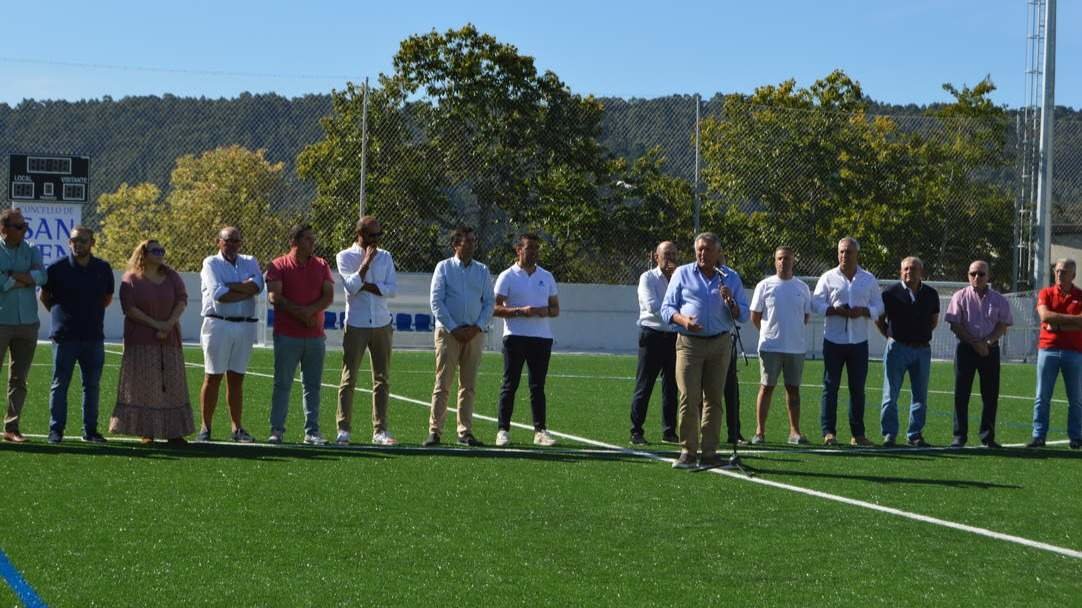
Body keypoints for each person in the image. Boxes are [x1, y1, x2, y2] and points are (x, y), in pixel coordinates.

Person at [660, 232, 748, 468]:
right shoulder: (682, 273)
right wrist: (683, 321)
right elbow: (666, 308)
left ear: (718, 253)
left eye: (708, 250)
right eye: (699, 249)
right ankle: (688, 451)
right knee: (689, 397)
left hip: (720, 343)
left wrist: (732, 303)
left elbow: (745, 315)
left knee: (714, 399)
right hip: (689, 343)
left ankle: (709, 451)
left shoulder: (730, 277)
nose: (702, 254)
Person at [108, 239, 194, 445]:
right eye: (155, 250)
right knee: (144, 386)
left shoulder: (171, 276)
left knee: (172, 384)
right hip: (141, 340)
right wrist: (157, 325)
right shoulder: (131, 279)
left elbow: (182, 300)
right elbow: (130, 309)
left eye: (162, 250)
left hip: (169, 340)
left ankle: (174, 432)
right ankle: (147, 431)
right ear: (144, 253)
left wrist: (168, 324)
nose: (160, 253)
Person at [40, 226, 113, 444]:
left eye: (82, 240)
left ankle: (90, 431)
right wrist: (61, 318)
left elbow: (107, 298)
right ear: (69, 242)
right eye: (73, 240)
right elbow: (45, 297)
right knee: (59, 385)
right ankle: (56, 431)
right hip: (65, 338)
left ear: (93, 242)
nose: (77, 244)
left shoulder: (103, 268)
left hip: (93, 337)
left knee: (91, 386)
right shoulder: (56, 268)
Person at [424, 226, 493, 447]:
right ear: (456, 245)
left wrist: (476, 327)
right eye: (467, 242)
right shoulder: (443, 268)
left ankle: (465, 431)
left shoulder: (482, 270)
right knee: (443, 383)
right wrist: (455, 328)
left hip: (474, 334)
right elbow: (437, 302)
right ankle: (435, 431)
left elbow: (489, 303)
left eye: (474, 241)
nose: (472, 245)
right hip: (448, 334)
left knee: (469, 385)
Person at [812, 237, 884, 447]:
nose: (845, 255)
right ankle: (829, 433)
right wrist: (834, 310)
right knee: (830, 387)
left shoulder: (868, 279)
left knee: (857, 389)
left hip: (859, 342)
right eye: (841, 251)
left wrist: (864, 311)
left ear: (857, 254)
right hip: (833, 341)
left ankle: (858, 435)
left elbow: (879, 306)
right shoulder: (827, 277)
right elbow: (815, 303)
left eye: (849, 252)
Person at [267, 224, 334, 445]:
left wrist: (311, 312)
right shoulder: (278, 265)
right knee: (283, 383)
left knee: (312, 385)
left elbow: (328, 295)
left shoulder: (322, 265)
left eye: (312, 240)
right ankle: (277, 429)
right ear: (294, 242)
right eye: (307, 239)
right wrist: (301, 314)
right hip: (288, 335)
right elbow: (274, 296)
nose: (312, 244)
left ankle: (312, 431)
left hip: (315, 336)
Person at [196, 226, 263, 443]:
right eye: (228, 240)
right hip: (218, 325)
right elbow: (218, 294)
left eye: (236, 241)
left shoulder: (250, 260)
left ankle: (237, 428)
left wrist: (233, 287)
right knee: (213, 377)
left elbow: (258, 286)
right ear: (219, 242)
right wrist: (245, 289)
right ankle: (205, 428)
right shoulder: (210, 263)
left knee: (236, 379)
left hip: (244, 326)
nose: (232, 244)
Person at [492, 233, 560, 447]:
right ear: (518, 250)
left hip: (541, 338)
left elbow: (555, 309)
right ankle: (503, 430)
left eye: (536, 248)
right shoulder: (507, 276)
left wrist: (542, 311)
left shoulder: (546, 276)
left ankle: (540, 431)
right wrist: (520, 311)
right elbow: (494, 308)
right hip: (515, 337)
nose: (534, 252)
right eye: (529, 248)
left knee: (537, 386)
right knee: (510, 384)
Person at [336, 216, 398, 446]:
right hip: (356, 323)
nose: (376, 240)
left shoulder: (386, 257)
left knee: (382, 379)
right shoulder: (345, 256)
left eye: (379, 235)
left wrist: (368, 286)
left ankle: (380, 430)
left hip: (382, 322)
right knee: (349, 377)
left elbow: (391, 290)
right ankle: (343, 428)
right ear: (360, 234)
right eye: (372, 235)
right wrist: (365, 264)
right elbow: (351, 287)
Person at [944, 260, 1012, 448]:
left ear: (988, 276)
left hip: (991, 349)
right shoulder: (959, 297)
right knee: (961, 394)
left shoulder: (999, 299)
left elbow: (1003, 324)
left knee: (990, 394)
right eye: (973, 273)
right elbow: (955, 324)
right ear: (968, 275)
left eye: (981, 274)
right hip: (966, 349)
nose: (977, 277)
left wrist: (988, 343)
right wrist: (975, 343)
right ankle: (959, 436)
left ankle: (987, 437)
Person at [749, 246, 811, 445]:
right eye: (780, 258)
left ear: (794, 261)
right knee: (766, 387)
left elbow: (806, 316)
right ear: (775, 261)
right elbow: (755, 316)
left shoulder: (802, 287)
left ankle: (795, 432)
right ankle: (760, 432)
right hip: (770, 347)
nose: (783, 262)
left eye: (787, 258)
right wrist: (770, 333)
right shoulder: (764, 285)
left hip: (796, 348)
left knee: (793, 389)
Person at [875, 257, 939, 447]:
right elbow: (879, 319)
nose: (908, 272)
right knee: (890, 393)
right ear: (900, 271)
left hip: (922, 350)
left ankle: (915, 434)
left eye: (913, 269)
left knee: (920, 395)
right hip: (897, 348)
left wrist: (918, 335)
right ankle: (889, 433)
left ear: (922, 272)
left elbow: (933, 321)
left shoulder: (930, 294)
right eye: (905, 269)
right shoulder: (890, 293)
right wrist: (890, 335)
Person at [628, 241, 680, 446]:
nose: (671, 258)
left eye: (674, 254)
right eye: (666, 254)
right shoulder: (647, 278)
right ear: (656, 257)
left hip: (674, 336)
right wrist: (678, 316)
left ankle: (669, 431)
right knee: (644, 385)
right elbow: (652, 306)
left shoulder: (681, 278)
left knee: (672, 387)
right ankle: (636, 431)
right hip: (652, 335)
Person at [0, 208, 45, 443]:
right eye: (18, 227)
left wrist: (12, 276)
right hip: (1, 321)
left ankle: (12, 427)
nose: (23, 230)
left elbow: (42, 277)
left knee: (19, 378)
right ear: (3, 228)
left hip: (28, 322)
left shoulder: (32, 249)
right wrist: (24, 279)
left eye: (24, 226)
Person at [1028, 258, 1082, 449]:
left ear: (1073, 275)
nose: (1060, 274)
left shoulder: (1080, 295)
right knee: (1042, 397)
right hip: (1048, 350)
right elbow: (1044, 316)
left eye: (1064, 271)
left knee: (1076, 399)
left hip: (1075, 353)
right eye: (1058, 271)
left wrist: (1057, 323)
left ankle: (1076, 437)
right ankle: (1038, 435)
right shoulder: (1046, 293)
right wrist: (1072, 322)